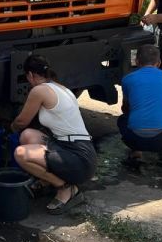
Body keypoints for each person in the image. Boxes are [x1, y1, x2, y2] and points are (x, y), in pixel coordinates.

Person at [11, 54, 97, 214]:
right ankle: (46, 180)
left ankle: (65, 188)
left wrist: (11, 127)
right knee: (28, 135)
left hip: (78, 159)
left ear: (30, 75)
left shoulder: (39, 90)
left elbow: (22, 122)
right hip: (79, 149)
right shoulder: (60, 87)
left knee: (20, 154)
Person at [119, 44, 162, 165]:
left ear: (137, 61)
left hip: (134, 139)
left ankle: (136, 152)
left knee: (124, 117)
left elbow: (125, 107)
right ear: (159, 63)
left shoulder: (127, 79)